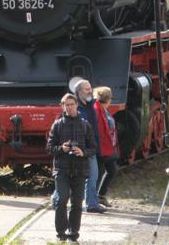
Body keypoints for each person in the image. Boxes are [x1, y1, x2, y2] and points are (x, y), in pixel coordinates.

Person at [47, 93, 96, 243]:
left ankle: (73, 232)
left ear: (76, 105)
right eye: (66, 105)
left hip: (80, 169)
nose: (69, 107)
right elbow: (49, 148)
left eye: (71, 104)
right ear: (62, 107)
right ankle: (60, 233)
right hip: (62, 169)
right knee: (61, 199)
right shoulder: (57, 125)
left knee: (77, 202)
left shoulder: (85, 124)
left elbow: (93, 148)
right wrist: (61, 148)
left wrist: (83, 152)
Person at [74, 79, 105, 213]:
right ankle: (56, 199)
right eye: (87, 89)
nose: (90, 91)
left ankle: (92, 203)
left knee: (93, 175)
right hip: (81, 147)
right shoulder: (76, 108)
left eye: (90, 89)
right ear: (80, 92)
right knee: (73, 177)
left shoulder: (91, 104)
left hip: (90, 148)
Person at [93, 86, 119, 207]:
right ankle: (95, 198)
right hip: (101, 147)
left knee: (111, 170)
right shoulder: (98, 109)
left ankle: (100, 196)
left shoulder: (103, 109)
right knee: (99, 172)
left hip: (107, 146)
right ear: (108, 99)